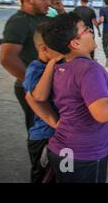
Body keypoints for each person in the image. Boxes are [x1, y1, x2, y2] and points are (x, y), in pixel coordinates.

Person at [40, 12, 108, 183]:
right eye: (85, 29)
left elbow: (37, 97)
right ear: (75, 43)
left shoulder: (61, 68)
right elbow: (103, 113)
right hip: (84, 156)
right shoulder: (89, 70)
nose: (91, 31)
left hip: (62, 149)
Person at [0, 0, 51, 136]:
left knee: (52, 128)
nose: (48, 2)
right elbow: (7, 58)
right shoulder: (19, 22)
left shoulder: (42, 17)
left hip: (46, 83)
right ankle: (39, 160)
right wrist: (33, 82)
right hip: (32, 86)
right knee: (40, 130)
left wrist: (60, 10)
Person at [23, 24, 62, 183]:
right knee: (43, 178)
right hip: (43, 137)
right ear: (44, 48)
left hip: (59, 135)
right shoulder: (35, 69)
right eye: (58, 45)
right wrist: (52, 64)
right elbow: (39, 95)